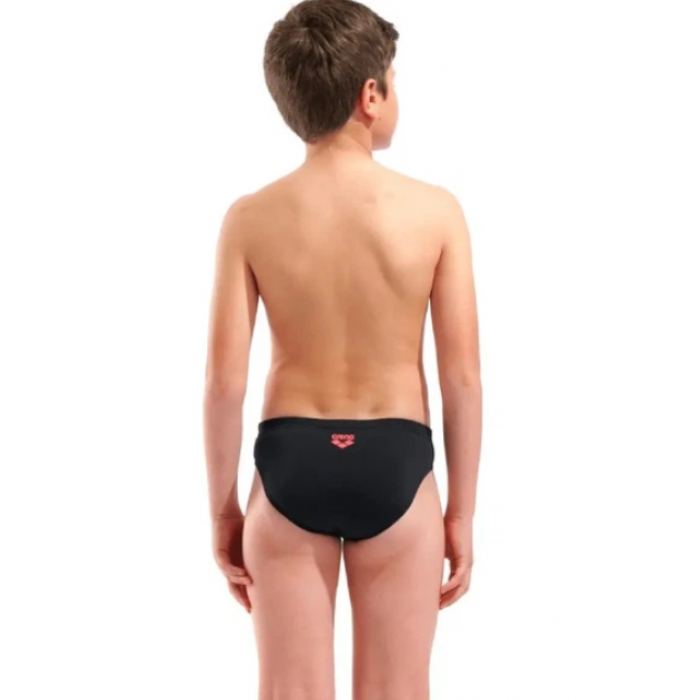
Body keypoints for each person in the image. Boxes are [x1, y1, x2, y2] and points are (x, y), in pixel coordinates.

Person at [202, 0, 483, 697]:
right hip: (397, 461)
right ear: (370, 96)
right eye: (395, 79)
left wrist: (225, 509)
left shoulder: (249, 218)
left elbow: (224, 385)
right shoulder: (436, 212)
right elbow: (462, 381)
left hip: (289, 464)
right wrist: (460, 513)